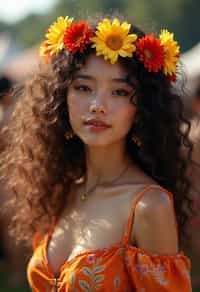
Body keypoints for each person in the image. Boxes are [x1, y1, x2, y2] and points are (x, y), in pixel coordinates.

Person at [0, 13, 193, 291]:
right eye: (83, 87)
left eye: (119, 92)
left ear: (142, 110)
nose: (97, 105)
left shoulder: (148, 207)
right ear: (61, 98)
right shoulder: (61, 190)